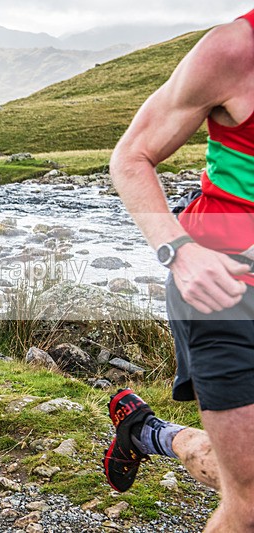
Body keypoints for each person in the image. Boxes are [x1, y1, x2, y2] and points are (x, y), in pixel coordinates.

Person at [105, 10, 254, 531]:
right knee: (251, 501)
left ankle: (149, 434)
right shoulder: (234, 50)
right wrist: (179, 251)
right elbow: (130, 156)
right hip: (227, 292)